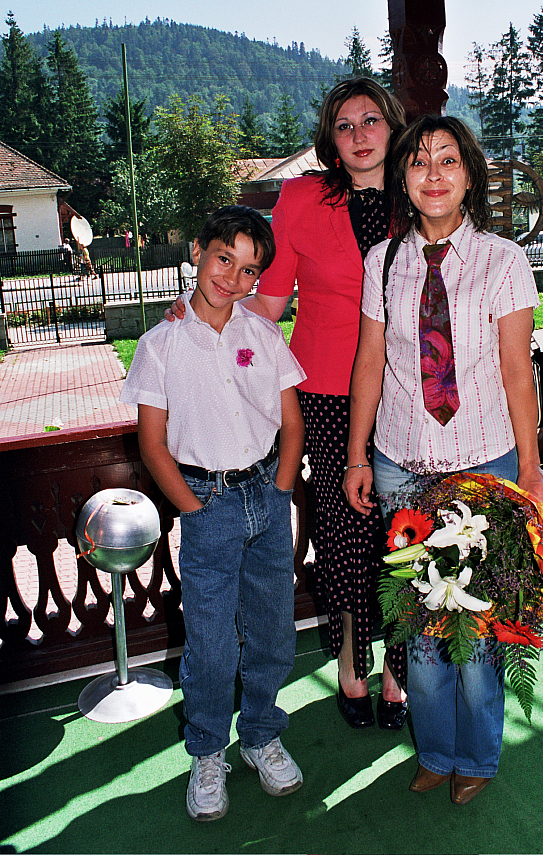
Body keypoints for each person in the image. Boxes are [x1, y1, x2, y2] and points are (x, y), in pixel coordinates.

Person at [166, 78, 409, 730]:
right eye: (344, 125)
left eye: (371, 120)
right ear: (331, 140)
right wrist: (200, 306)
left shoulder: (423, 194)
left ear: (393, 125)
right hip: (328, 392)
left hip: (412, 395)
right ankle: (354, 669)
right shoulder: (302, 199)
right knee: (348, 535)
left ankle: (400, 674)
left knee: (409, 532)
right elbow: (265, 308)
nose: (359, 135)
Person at [343, 115, 543, 804]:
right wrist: (355, 457)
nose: (433, 174)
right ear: (403, 181)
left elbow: (516, 371)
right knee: (423, 631)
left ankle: (479, 757)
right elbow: (370, 362)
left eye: (447, 161)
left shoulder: (503, 260)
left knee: (479, 630)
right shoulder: (383, 262)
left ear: (469, 174)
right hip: (402, 466)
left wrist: (530, 469)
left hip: (483, 469)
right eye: (418, 163)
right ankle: (435, 750)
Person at [120, 206, 306, 822]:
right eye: (224, 258)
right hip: (209, 506)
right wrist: (195, 510)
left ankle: (259, 734)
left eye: (249, 270)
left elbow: (290, 421)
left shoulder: (263, 335)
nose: (232, 277)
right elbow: (152, 444)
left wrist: (280, 488)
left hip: (266, 500)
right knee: (211, 644)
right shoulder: (162, 342)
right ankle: (206, 752)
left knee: (275, 629)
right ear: (199, 250)